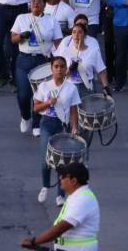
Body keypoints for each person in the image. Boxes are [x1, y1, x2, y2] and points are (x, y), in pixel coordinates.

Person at [11, 0, 62, 136]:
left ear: (44, 5)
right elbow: (13, 39)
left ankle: (36, 123)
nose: (35, 3)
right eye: (33, 1)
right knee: (23, 94)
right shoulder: (22, 18)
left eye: (39, 1)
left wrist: (60, 60)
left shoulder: (52, 20)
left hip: (42, 60)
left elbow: (58, 43)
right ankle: (25, 116)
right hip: (24, 59)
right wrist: (21, 36)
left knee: (40, 94)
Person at [32, 56, 81, 205]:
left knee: (62, 162)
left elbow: (74, 109)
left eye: (62, 67)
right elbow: (36, 108)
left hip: (62, 125)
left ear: (66, 69)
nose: (59, 69)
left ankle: (60, 195)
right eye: (56, 66)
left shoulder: (71, 87)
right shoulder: (44, 86)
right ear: (52, 69)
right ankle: (45, 186)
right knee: (46, 159)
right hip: (47, 123)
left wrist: (74, 127)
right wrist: (48, 103)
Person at [21, 162, 99, 250]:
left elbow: (61, 228)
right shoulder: (76, 196)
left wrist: (34, 241)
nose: (60, 179)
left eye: (63, 177)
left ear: (73, 181)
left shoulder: (83, 199)